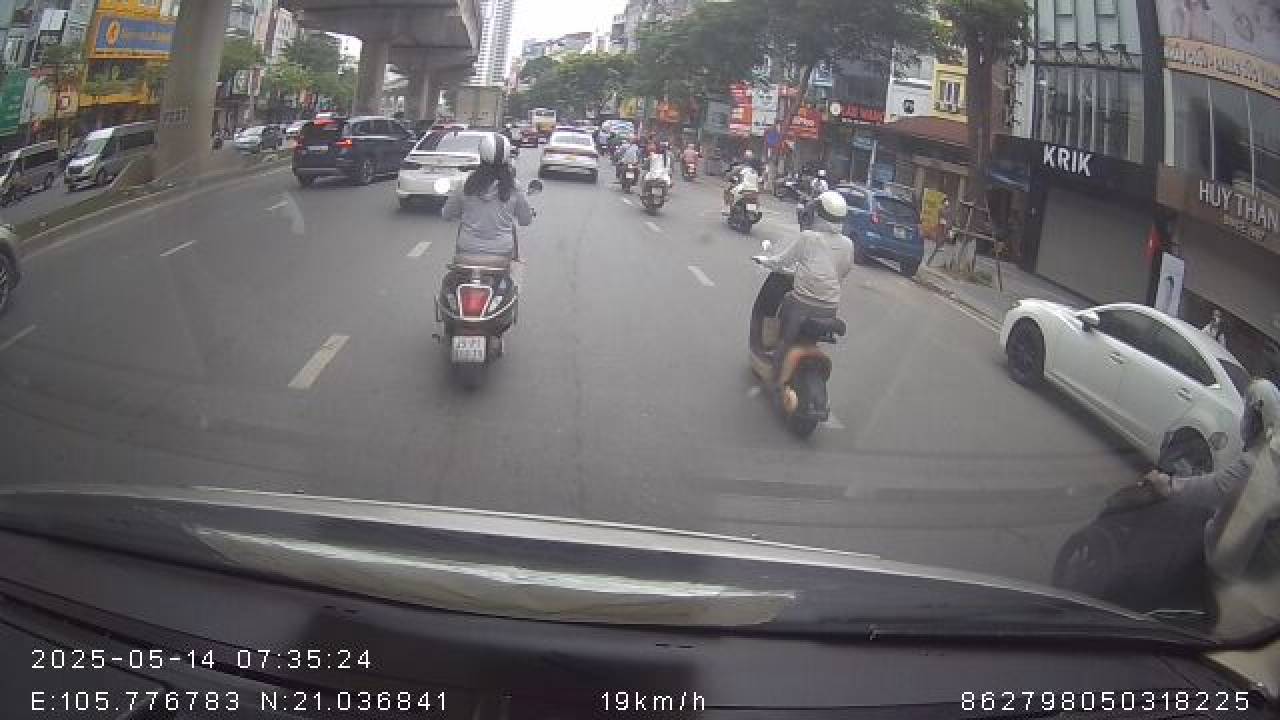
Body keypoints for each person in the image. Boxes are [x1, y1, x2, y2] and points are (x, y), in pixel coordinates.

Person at [753, 191, 854, 382]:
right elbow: (843, 271)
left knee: (784, 320)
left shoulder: (808, 237)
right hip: (830, 307)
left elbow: (781, 262)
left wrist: (763, 260)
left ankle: (775, 373)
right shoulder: (848, 244)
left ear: (819, 214)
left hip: (802, 304)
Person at [441, 132, 534, 274]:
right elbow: (525, 221)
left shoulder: (465, 184)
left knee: (450, 281)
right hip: (502, 251)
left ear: (481, 155)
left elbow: (447, 214)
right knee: (513, 278)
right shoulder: (514, 187)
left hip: (467, 249)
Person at [723, 150, 761, 215]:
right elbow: (759, 181)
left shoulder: (740, 168)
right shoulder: (755, 170)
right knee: (756, 198)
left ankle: (728, 209)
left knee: (727, 191)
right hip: (754, 190)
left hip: (743, 188)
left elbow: (729, 175)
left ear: (744, 158)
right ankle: (757, 210)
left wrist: (727, 178)